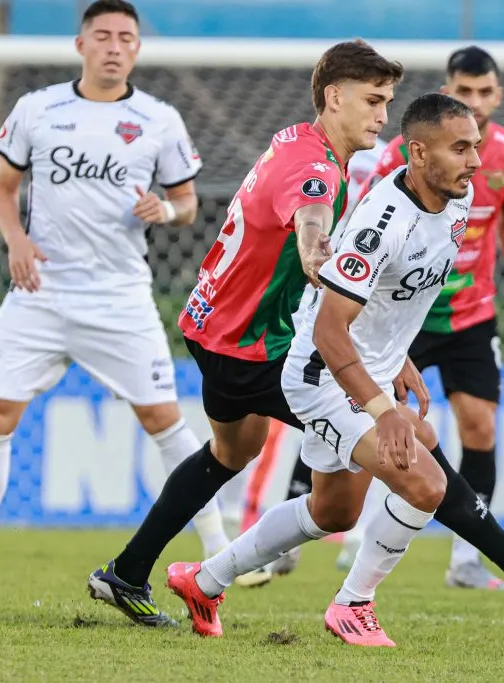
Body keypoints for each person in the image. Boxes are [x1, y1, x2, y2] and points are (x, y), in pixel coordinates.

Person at [165, 93, 504, 647]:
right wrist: (383, 410)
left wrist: (396, 355)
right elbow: (329, 329)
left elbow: (389, 298)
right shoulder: (381, 223)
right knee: (424, 479)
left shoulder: (458, 200)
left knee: (332, 512)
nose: (475, 161)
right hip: (322, 376)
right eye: (460, 149)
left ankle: (204, 581)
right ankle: (356, 604)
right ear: (418, 153)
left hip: (367, 365)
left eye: (475, 147)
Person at [86, 38, 407, 625]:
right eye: (374, 100)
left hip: (214, 326)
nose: (384, 116)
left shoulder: (297, 139)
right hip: (249, 345)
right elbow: (311, 219)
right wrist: (316, 250)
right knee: (397, 443)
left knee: (231, 453)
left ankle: (127, 573)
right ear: (335, 97)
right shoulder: (317, 168)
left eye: (388, 102)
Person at [0, 0, 230, 584]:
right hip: (40, 291)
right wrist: (15, 241)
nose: (114, 46)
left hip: (119, 297)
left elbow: (189, 204)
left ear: (137, 48)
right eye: (103, 36)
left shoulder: (159, 119)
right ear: (81, 44)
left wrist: (166, 209)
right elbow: (3, 189)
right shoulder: (37, 109)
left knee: (164, 418)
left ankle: (220, 547)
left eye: (125, 37)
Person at [280, 45, 504, 588]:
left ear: (499, 96)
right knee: (353, 419)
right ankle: (303, 552)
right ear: (448, 94)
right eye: (465, 91)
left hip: (469, 311)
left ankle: (467, 561)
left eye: (485, 92)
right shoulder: (401, 166)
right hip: (399, 315)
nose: (476, 100)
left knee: (475, 425)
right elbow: (371, 226)